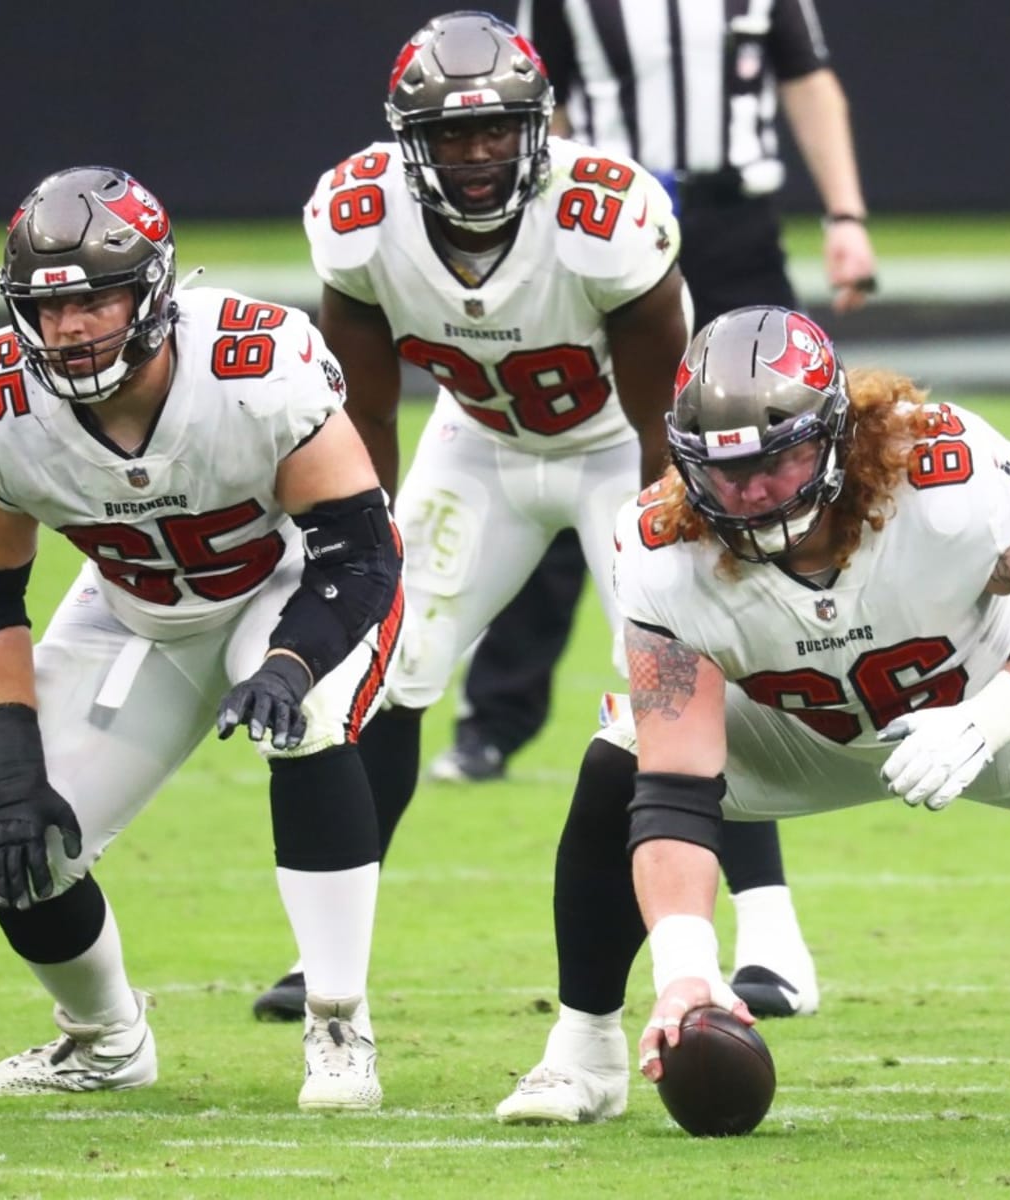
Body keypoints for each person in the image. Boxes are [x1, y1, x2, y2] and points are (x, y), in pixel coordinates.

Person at [251, 10, 813, 1025]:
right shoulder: (358, 215)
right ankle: (329, 953)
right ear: (405, 139)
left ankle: (775, 945)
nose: (475, 154)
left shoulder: (604, 217)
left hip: (620, 448)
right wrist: (367, 539)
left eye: (497, 129)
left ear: (541, 127)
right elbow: (369, 410)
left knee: (680, 674)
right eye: (452, 134)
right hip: (479, 446)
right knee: (384, 669)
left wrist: (669, 546)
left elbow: (659, 413)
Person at [496, 304, 1010, 1127]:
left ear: (837, 436)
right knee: (616, 763)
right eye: (726, 472)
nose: (753, 492)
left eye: (781, 460)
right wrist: (687, 970)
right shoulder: (663, 546)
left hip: (975, 695)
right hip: (801, 729)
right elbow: (674, 785)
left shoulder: (943, 474)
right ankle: (584, 1051)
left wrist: (988, 719)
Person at [0, 166, 404, 1111]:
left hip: (291, 583)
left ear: (152, 292)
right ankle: (105, 1039)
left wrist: (287, 661)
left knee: (307, 716)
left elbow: (359, 553)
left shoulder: (255, 363)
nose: (69, 328)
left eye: (95, 299)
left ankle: (337, 1021)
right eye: (47, 306)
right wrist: (11, 762)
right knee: (15, 838)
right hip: (135, 608)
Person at [435, 0, 879, 785]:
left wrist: (845, 213)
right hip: (610, 230)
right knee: (572, 448)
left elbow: (808, 79)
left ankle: (818, 678)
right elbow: (539, 106)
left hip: (732, 221)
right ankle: (496, 718)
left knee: (793, 450)